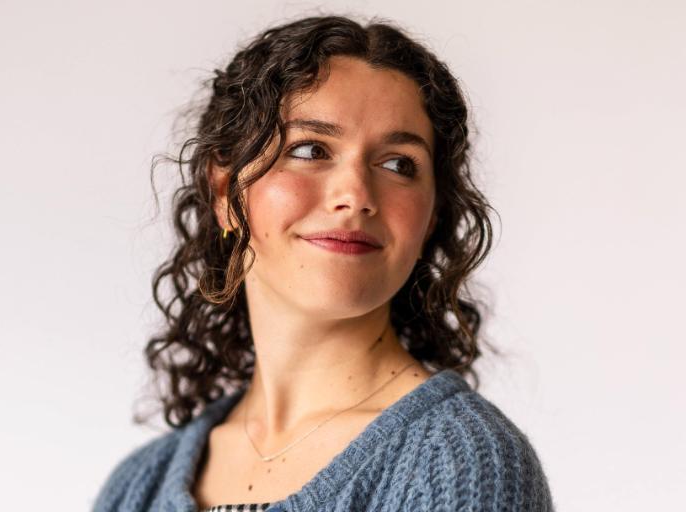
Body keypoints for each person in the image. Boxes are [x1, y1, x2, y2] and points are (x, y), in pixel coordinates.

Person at [91, 14, 554, 512]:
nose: (355, 196)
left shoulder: (461, 461)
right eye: (311, 150)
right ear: (225, 192)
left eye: (399, 164)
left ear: (432, 216)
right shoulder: (139, 485)